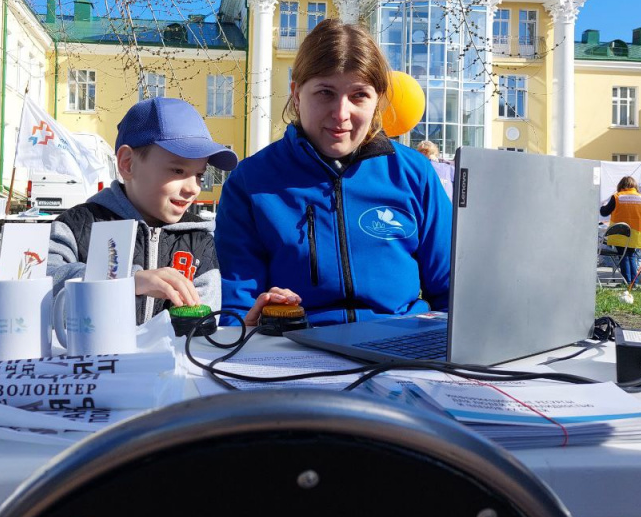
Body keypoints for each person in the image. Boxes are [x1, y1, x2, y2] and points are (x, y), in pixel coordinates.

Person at [215, 19, 451, 327]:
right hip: (297, 354)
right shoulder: (251, 183)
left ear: (377, 100)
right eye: (325, 92)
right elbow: (236, 312)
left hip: (399, 346)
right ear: (297, 95)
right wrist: (254, 322)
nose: (341, 113)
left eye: (358, 95)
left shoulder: (414, 174)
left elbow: (452, 294)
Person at [47, 97, 238, 324]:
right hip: (91, 358)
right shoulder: (78, 226)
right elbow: (41, 285)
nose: (192, 188)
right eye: (177, 170)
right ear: (127, 163)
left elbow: (203, 325)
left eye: (199, 175)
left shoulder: (198, 240)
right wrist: (128, 281)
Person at [599, 176, 641, 287]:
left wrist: (602, 206)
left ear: (621, 185)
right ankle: (633, 282)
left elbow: (604, 212)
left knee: (623, 255)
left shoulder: (617, 197)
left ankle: (627, 281)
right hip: (638, 232)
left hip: (620, 232)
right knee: (631, 255)